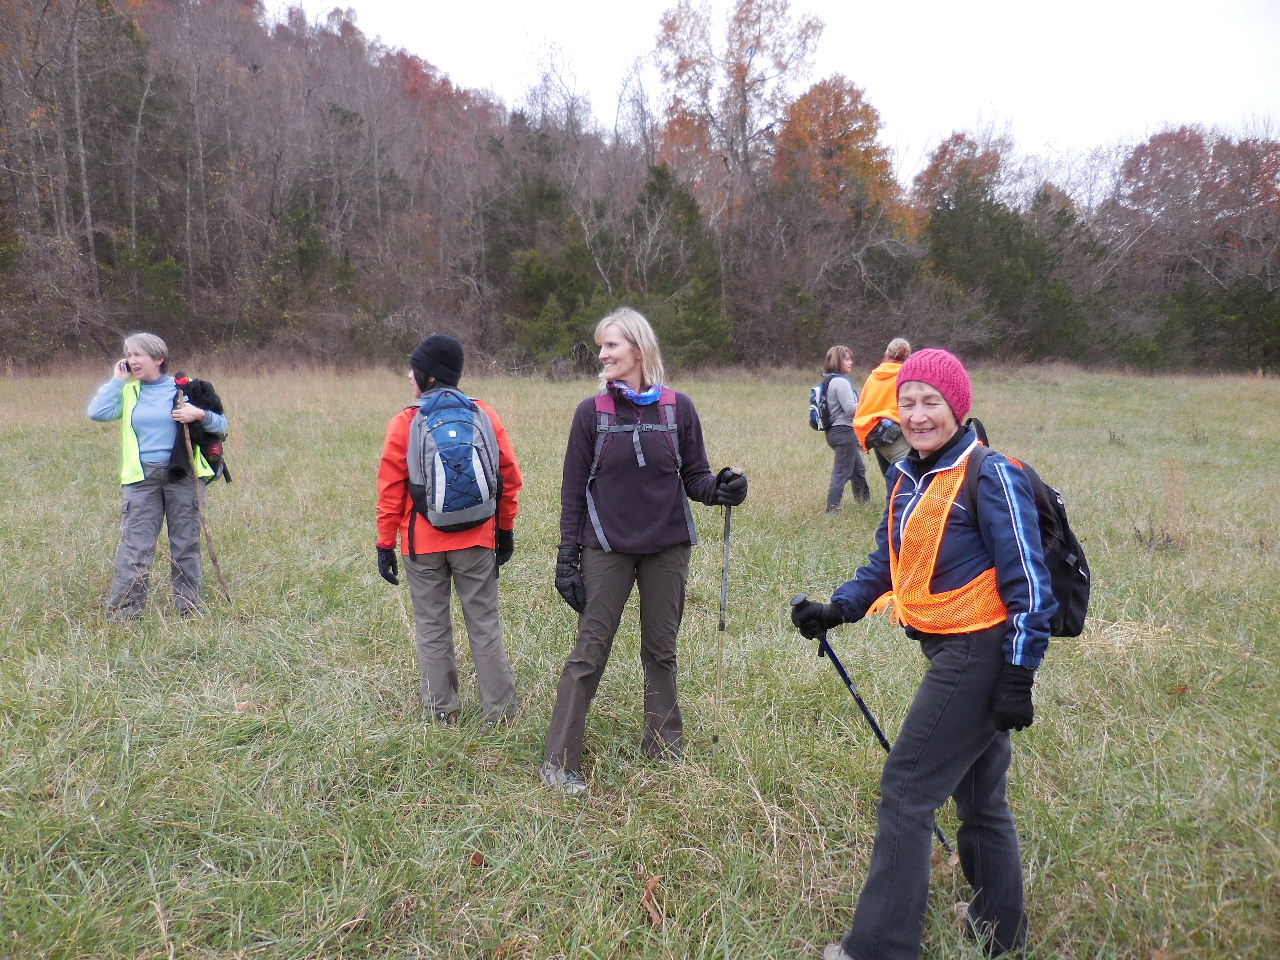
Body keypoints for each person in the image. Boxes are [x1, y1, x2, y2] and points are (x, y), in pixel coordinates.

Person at [790, 348, 1057, 960]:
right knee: (979, 798)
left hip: (979, 652)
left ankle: (878, 949)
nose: (916, 415)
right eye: (906, 402)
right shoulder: (907, 475)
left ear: (956, 407)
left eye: (930, 402)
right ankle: (999, 931)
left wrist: (1019, 674)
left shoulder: (989, 474)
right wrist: (838, 608)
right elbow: (888, 562)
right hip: (951, 649)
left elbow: (1030, 583)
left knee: (906, 790)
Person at [541, 307, 748, 796]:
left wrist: (721, 488)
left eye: (611, 345)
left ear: (638, 349)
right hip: (605, 546)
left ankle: (664, 751)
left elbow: (695, 477)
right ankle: (558, 763)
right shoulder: (591, 413)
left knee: (661, 650)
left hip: (667, 547)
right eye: (601, 346)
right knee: (590, 652)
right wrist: (567, 558)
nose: (602, 354)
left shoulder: (679, 409)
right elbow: (573, 490)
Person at [375, 334, 523, 725]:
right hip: (478, 539)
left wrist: (384, 544)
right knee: (485, 625)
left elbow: (390, 491)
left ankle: (442, 712)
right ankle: (500, 714)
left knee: (432, 628)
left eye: (414, 369)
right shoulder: (483, 414)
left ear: (428, 375)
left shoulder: (405, 422)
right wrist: (504, 531)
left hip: (421, 545)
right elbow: (509, 478)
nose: (409, 375)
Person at [87, 332, 228, 620]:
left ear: (158, 358)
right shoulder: (129, 392)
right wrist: (117, 380)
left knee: (185, 545)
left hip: (184, 476)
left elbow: (222, 426)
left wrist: (199, 415)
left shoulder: (187, 388)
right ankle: (125, 615)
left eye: (138, 354)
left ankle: (188, 610)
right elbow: (97, 412)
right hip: (141, 479)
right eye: (129, 354)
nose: (132, 360)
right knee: (135, 548)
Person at [853, 337, 913, 495]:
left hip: (874, 434)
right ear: (908, 355)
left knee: (891, 480)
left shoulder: (873, 376)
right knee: (905, 481)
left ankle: (892, 508)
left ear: (888, 353)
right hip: (896, 436)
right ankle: (901, 508)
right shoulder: (906, 376)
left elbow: (861, 407)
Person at [821, 345, 871, 512]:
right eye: (847, 359)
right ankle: (832, 509)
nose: (851, 362)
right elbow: (850, 409)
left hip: (835, 432)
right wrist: (870, 404)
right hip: (844, 432)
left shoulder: (829, 380)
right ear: (837, 361)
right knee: (842, 472)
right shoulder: (840, 382)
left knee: (858, 470)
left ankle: (864, 503)